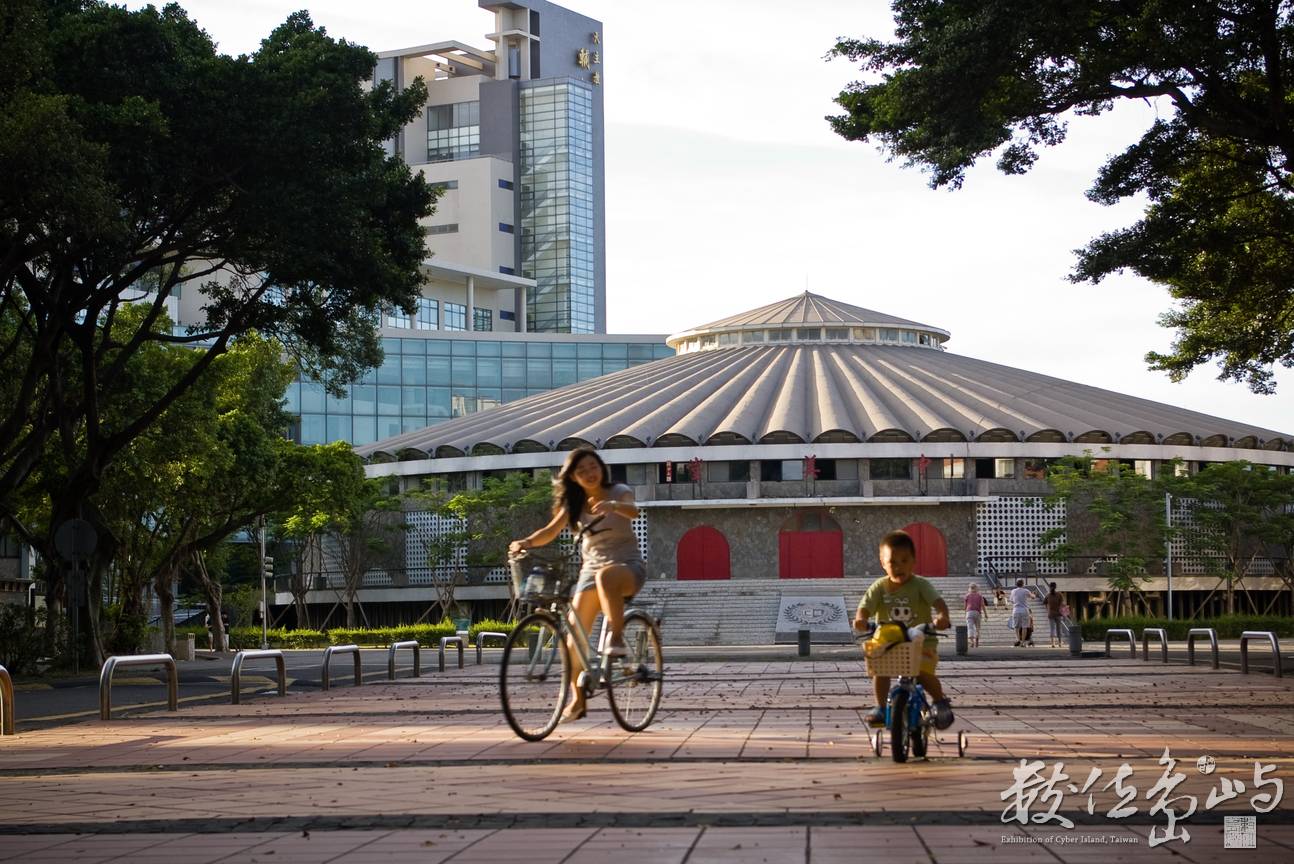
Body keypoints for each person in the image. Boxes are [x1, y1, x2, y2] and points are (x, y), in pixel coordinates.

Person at [510, 448, 646, 723]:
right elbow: (550, 531)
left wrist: (613, 506)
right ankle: (578, 699)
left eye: (593, 466)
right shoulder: (573, 505)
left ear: (601, 468)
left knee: (606, 576)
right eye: (581, 470)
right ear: (572, 477)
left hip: (627, 566)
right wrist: (525, 542)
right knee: (572, 641)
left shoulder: (618, 491)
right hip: (590, 572)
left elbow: (634, 511)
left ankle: (616, 638)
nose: (589, 473)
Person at [852, 530, 954, 730]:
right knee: (880, 669)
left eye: (904, 561)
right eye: (893, 562)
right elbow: (865, 606)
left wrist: (942, 616)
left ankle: (940, 701)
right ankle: (880, 707)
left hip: (921, 643)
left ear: (914, 560)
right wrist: (861, 619)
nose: (899, 567)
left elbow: (938, 602)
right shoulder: (879, 587)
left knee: (922, 674)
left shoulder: (920, 585)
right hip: (890, 643)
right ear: (883, 563)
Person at [1009, 579, 1035, 647]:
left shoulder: (1013, 591)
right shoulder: (1026, 591)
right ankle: (1023, 642)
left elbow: (1012, 601)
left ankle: (1018, 639)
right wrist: (1034, 594)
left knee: (1016, 626)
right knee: (1024, 626)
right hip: (1024, 610)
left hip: (1016, 610)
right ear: (1023, 584)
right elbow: (1032, 597)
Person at [962, 582, 986, 648]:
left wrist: (965, 612)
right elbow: (982, 605)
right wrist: (985, 613)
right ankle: (977, 642)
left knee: (970, 627)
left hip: (969, 612)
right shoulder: (979, 596)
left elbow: (965, 605)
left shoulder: (967, 595)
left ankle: (971, 642)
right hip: (977, 612)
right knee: (977, 628)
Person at [1043, 581, 1065, 648]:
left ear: (1049, 587)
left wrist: (1048, 610)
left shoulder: (1047, 595)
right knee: (1059, 628)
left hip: (1051, 614)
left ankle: (1053, 643)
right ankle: (1060, 642)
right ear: (1056, 587)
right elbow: (1062, 603)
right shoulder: (1059, 594)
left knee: (1052, 628)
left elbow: (1045, 604)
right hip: (1058, 613)